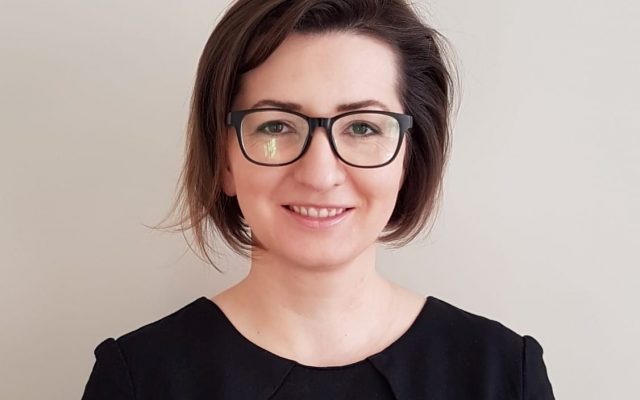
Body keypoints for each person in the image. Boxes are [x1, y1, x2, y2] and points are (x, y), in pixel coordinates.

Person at [82, 0, 555, 398]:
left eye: (363, 128)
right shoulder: (139, 379)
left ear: (409, 160)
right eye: (276, 126)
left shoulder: (502, 373)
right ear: (224, 160)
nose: (320, 175)